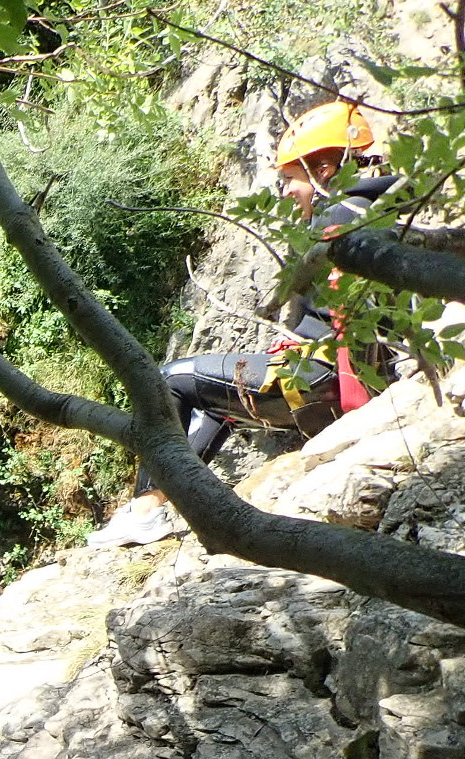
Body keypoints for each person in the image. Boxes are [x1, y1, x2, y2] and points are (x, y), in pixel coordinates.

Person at [88, 101, 400, 548]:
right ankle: (166, 504)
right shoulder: (382, 211)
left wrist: (357, 402)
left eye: (291, 179)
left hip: (314, 375)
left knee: (169, 380)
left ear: (326, 169)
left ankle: (145, 512)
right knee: (212, 400)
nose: (287, 192)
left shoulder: (338, 218)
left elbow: (350, 317)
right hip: (335, 373)